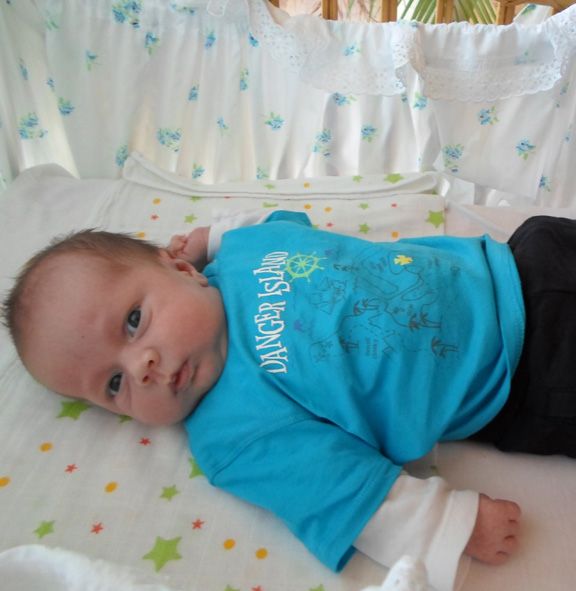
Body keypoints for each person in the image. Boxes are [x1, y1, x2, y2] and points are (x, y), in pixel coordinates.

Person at [12, 209, 576, 591]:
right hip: (525, 369)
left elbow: (281, 221)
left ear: (182, 269)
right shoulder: (233, 432)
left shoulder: (241, 254)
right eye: (114, 384)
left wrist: (211, 236)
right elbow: (344, 492)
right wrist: (449, 525)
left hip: (516, 257)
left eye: (134, 321)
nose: (142, 366)